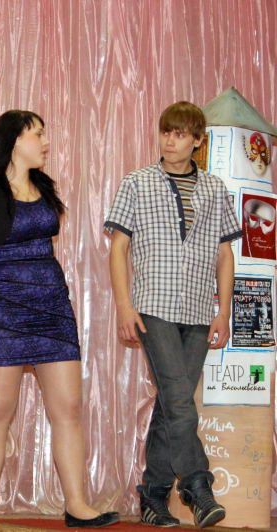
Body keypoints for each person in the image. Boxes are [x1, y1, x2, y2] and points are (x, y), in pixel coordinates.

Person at [0, 111, 118, 529]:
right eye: (37, 134)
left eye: (44, 134)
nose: (45, 142)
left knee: (69, 409)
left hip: (52, 307)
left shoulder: (43, 187)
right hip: (3, 310)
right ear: (14, 141)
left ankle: (77, 505)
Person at [105, 101, 240, 528]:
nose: (170, 140)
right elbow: (118, 248)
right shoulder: (137, 182)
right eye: (166, 131)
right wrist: (124, 305)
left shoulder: (215, 188)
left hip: (199, 310)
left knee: (171, 403)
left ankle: (153, 496)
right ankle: (198, 487)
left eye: (180, 134)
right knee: (180, 401)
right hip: (153, 308)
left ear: (197, 141)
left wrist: (224, 312)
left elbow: (224, 253)